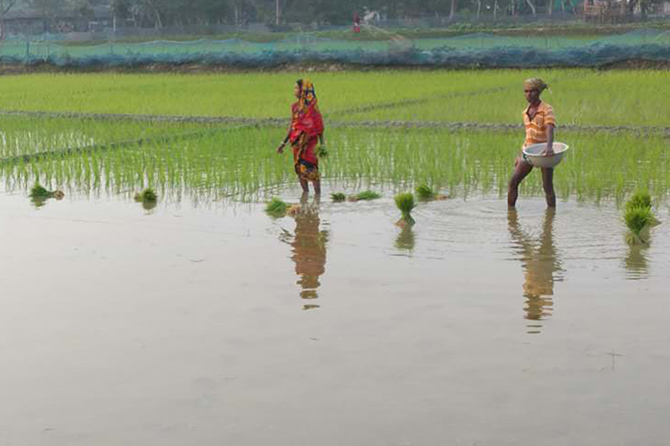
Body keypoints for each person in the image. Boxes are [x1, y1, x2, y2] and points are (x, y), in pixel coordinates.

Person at [508, 78, 557, 208]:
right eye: (526, 91)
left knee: (547, 186)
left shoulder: (547, 109)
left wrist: (549, 147)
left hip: (544, 152)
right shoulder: (525, 112)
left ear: (539, 92)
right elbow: (528, 135)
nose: (528, 94)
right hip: (528, 152)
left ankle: (550, 219)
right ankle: (511, 217)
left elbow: (550, 127)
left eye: (532, 91)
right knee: (513, 182)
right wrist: (520, 154)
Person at [277, 79, 325, 195]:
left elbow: (319, 126)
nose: (294, 91)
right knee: (299, 170)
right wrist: (283, 143)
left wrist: (322, 144)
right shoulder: (294, 107)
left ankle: (317, 198)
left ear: (303, 91)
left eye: (296, 88)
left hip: (309, 144)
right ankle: (305, 196)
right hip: (296, 143)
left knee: (311, 169)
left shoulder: (312, 108)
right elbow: (292, 125)